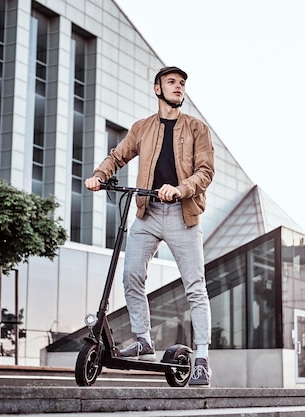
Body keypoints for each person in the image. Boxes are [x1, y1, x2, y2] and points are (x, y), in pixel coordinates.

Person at [85, 66, 214, 386]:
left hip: (183, 215)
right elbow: (118, 156)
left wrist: (180, 189)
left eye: (182, 84)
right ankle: (142, 338)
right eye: (172, 82)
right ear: (158, 89)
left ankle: (201, 358)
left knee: (195, 287)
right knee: (131, 275)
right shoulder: (142, 128)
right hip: (147, 212)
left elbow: (205, 171)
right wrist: (100, 176)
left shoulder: (197, 128)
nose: (178, 87)